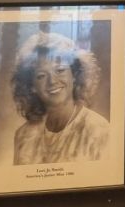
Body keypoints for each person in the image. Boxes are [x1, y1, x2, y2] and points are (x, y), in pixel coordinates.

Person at [11, 32, 110, 165]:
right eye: (41, 76)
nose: (52, 81)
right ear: (32, 86)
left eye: (60, 70)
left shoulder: (98, 130)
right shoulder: (23, 135)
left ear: (74, 74)